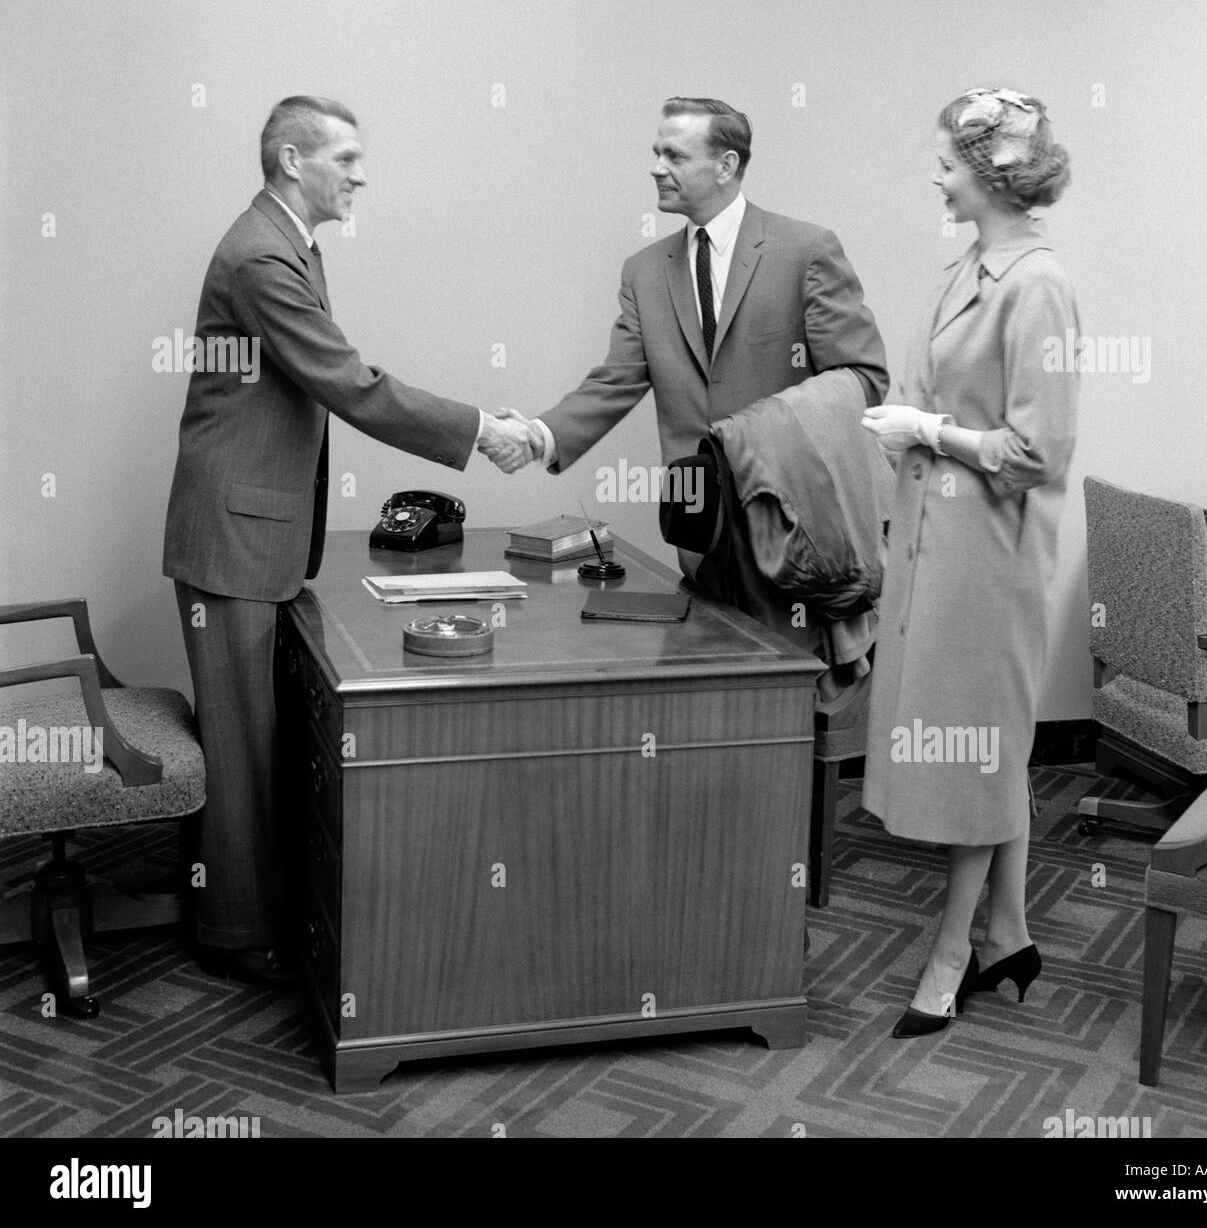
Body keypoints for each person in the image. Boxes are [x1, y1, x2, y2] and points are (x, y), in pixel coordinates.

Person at [162, 95, 535, 984]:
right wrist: (482, 427)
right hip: (233, 539)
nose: (362, 174)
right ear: (293, 160)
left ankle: (266, 912)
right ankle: (237, 935)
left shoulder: (289, 243)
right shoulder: (261, 255)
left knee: (269, 736)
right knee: (247, 747)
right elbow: (349, 382)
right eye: (347, 157)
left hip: (259, 531)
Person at [489, 96, 889, 659]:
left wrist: (757, 434)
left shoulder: (806, 251)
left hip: (792, 531)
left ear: (725, 166)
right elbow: (616, 379)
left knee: (796, 704)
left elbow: (861, 378)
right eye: (655, 152)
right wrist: (538, 434)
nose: (656, 166)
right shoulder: (644, 271)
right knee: (713, 699)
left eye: (673, 154)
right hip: (698, 531)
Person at [860, 88, 1078, 1038]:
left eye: (947, 162)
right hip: (938, 542)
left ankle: (950, 958)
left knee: (977, 752)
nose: (936, 175)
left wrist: (931, 432)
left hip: (991, 558)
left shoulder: (1039, 286)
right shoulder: (971, 268)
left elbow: (1040, 452)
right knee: (989, 748)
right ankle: (1008, 936)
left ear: (990, 175)